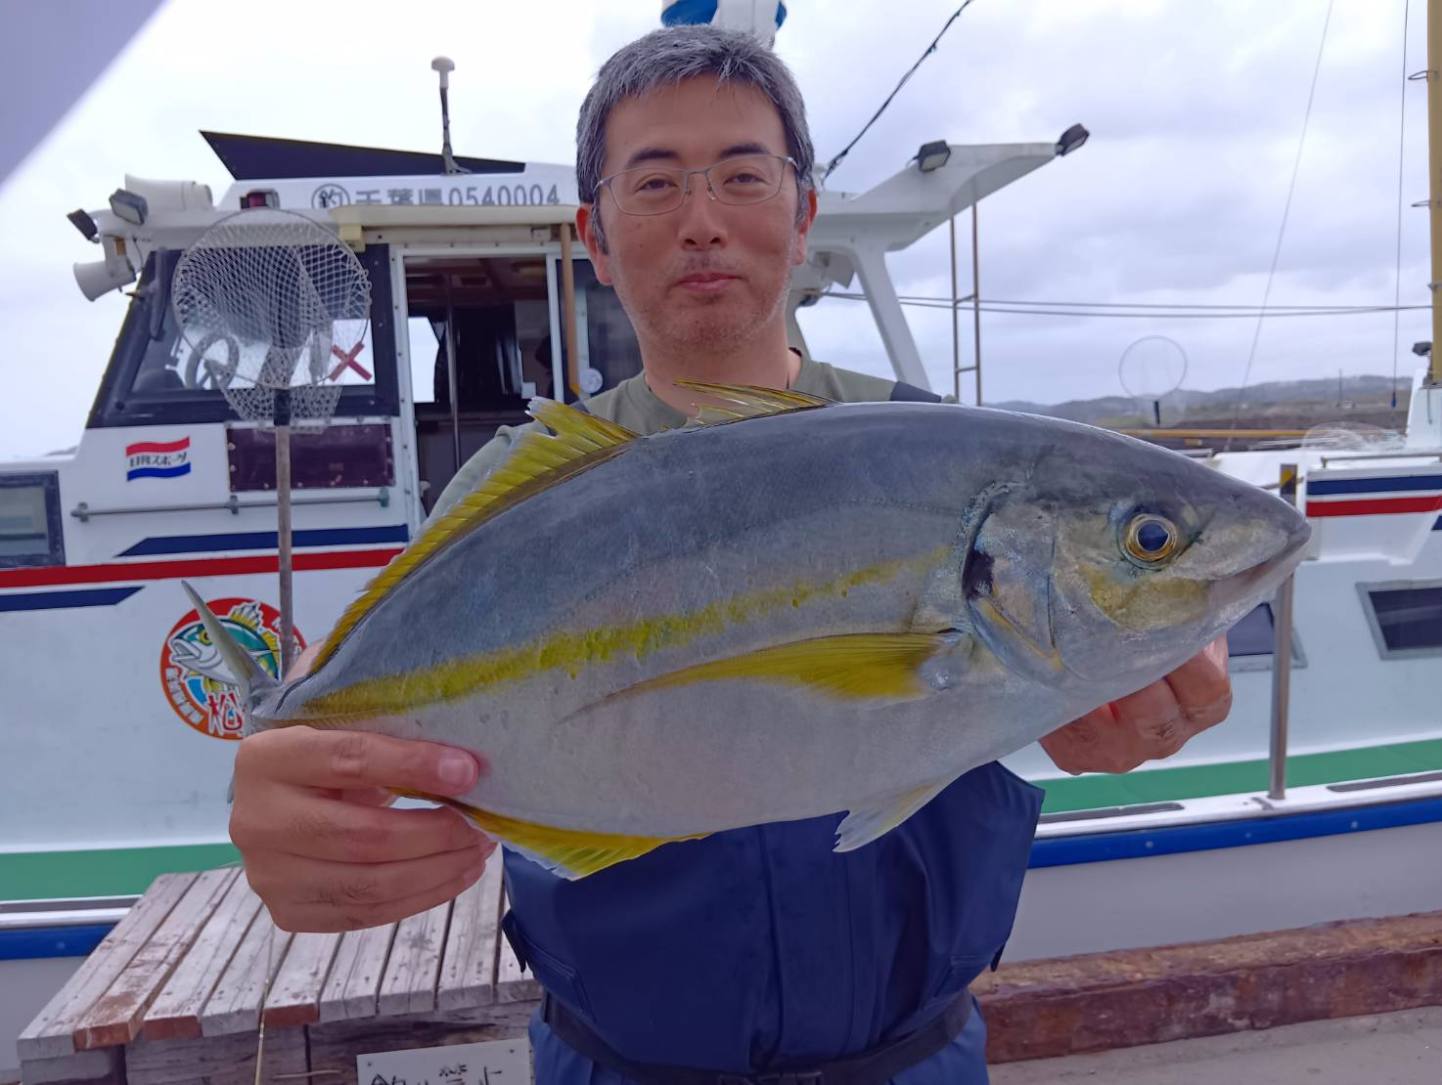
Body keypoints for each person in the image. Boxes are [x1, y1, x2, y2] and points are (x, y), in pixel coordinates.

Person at [230, 26, 1233, 1084]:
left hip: (911, 1060)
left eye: (741, 176)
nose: (702, 221)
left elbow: (1003, 701)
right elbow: (369, 664)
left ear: (801, 214)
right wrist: (283, 773)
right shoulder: (526, 481)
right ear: (596, 238)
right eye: (655, 183)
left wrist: (1123, 701)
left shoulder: (946, 458)